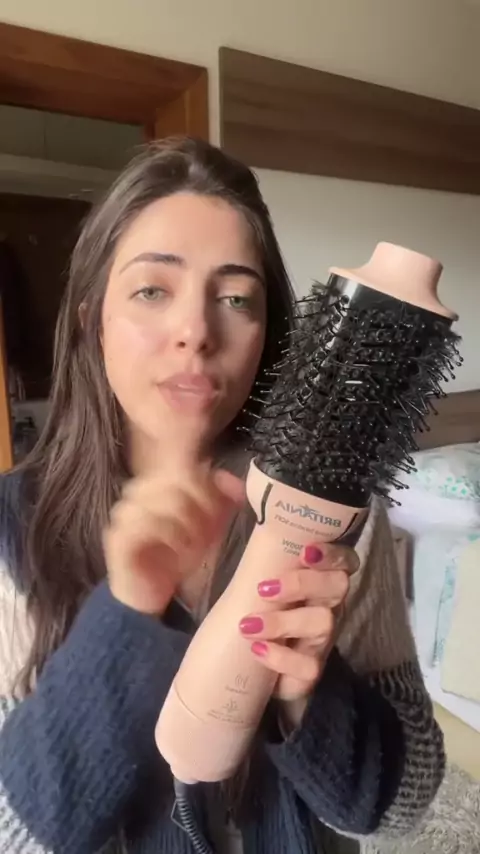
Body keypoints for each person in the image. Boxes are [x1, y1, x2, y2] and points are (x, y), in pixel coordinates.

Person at [0, 136, 444, 854]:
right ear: (91, 322)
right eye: (152, 290)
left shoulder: (339, 522)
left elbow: (404, 809)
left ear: (268, 336)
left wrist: (307, 695)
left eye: (236, 298)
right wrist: (126, 617)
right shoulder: (9, 529)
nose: (195, 333)